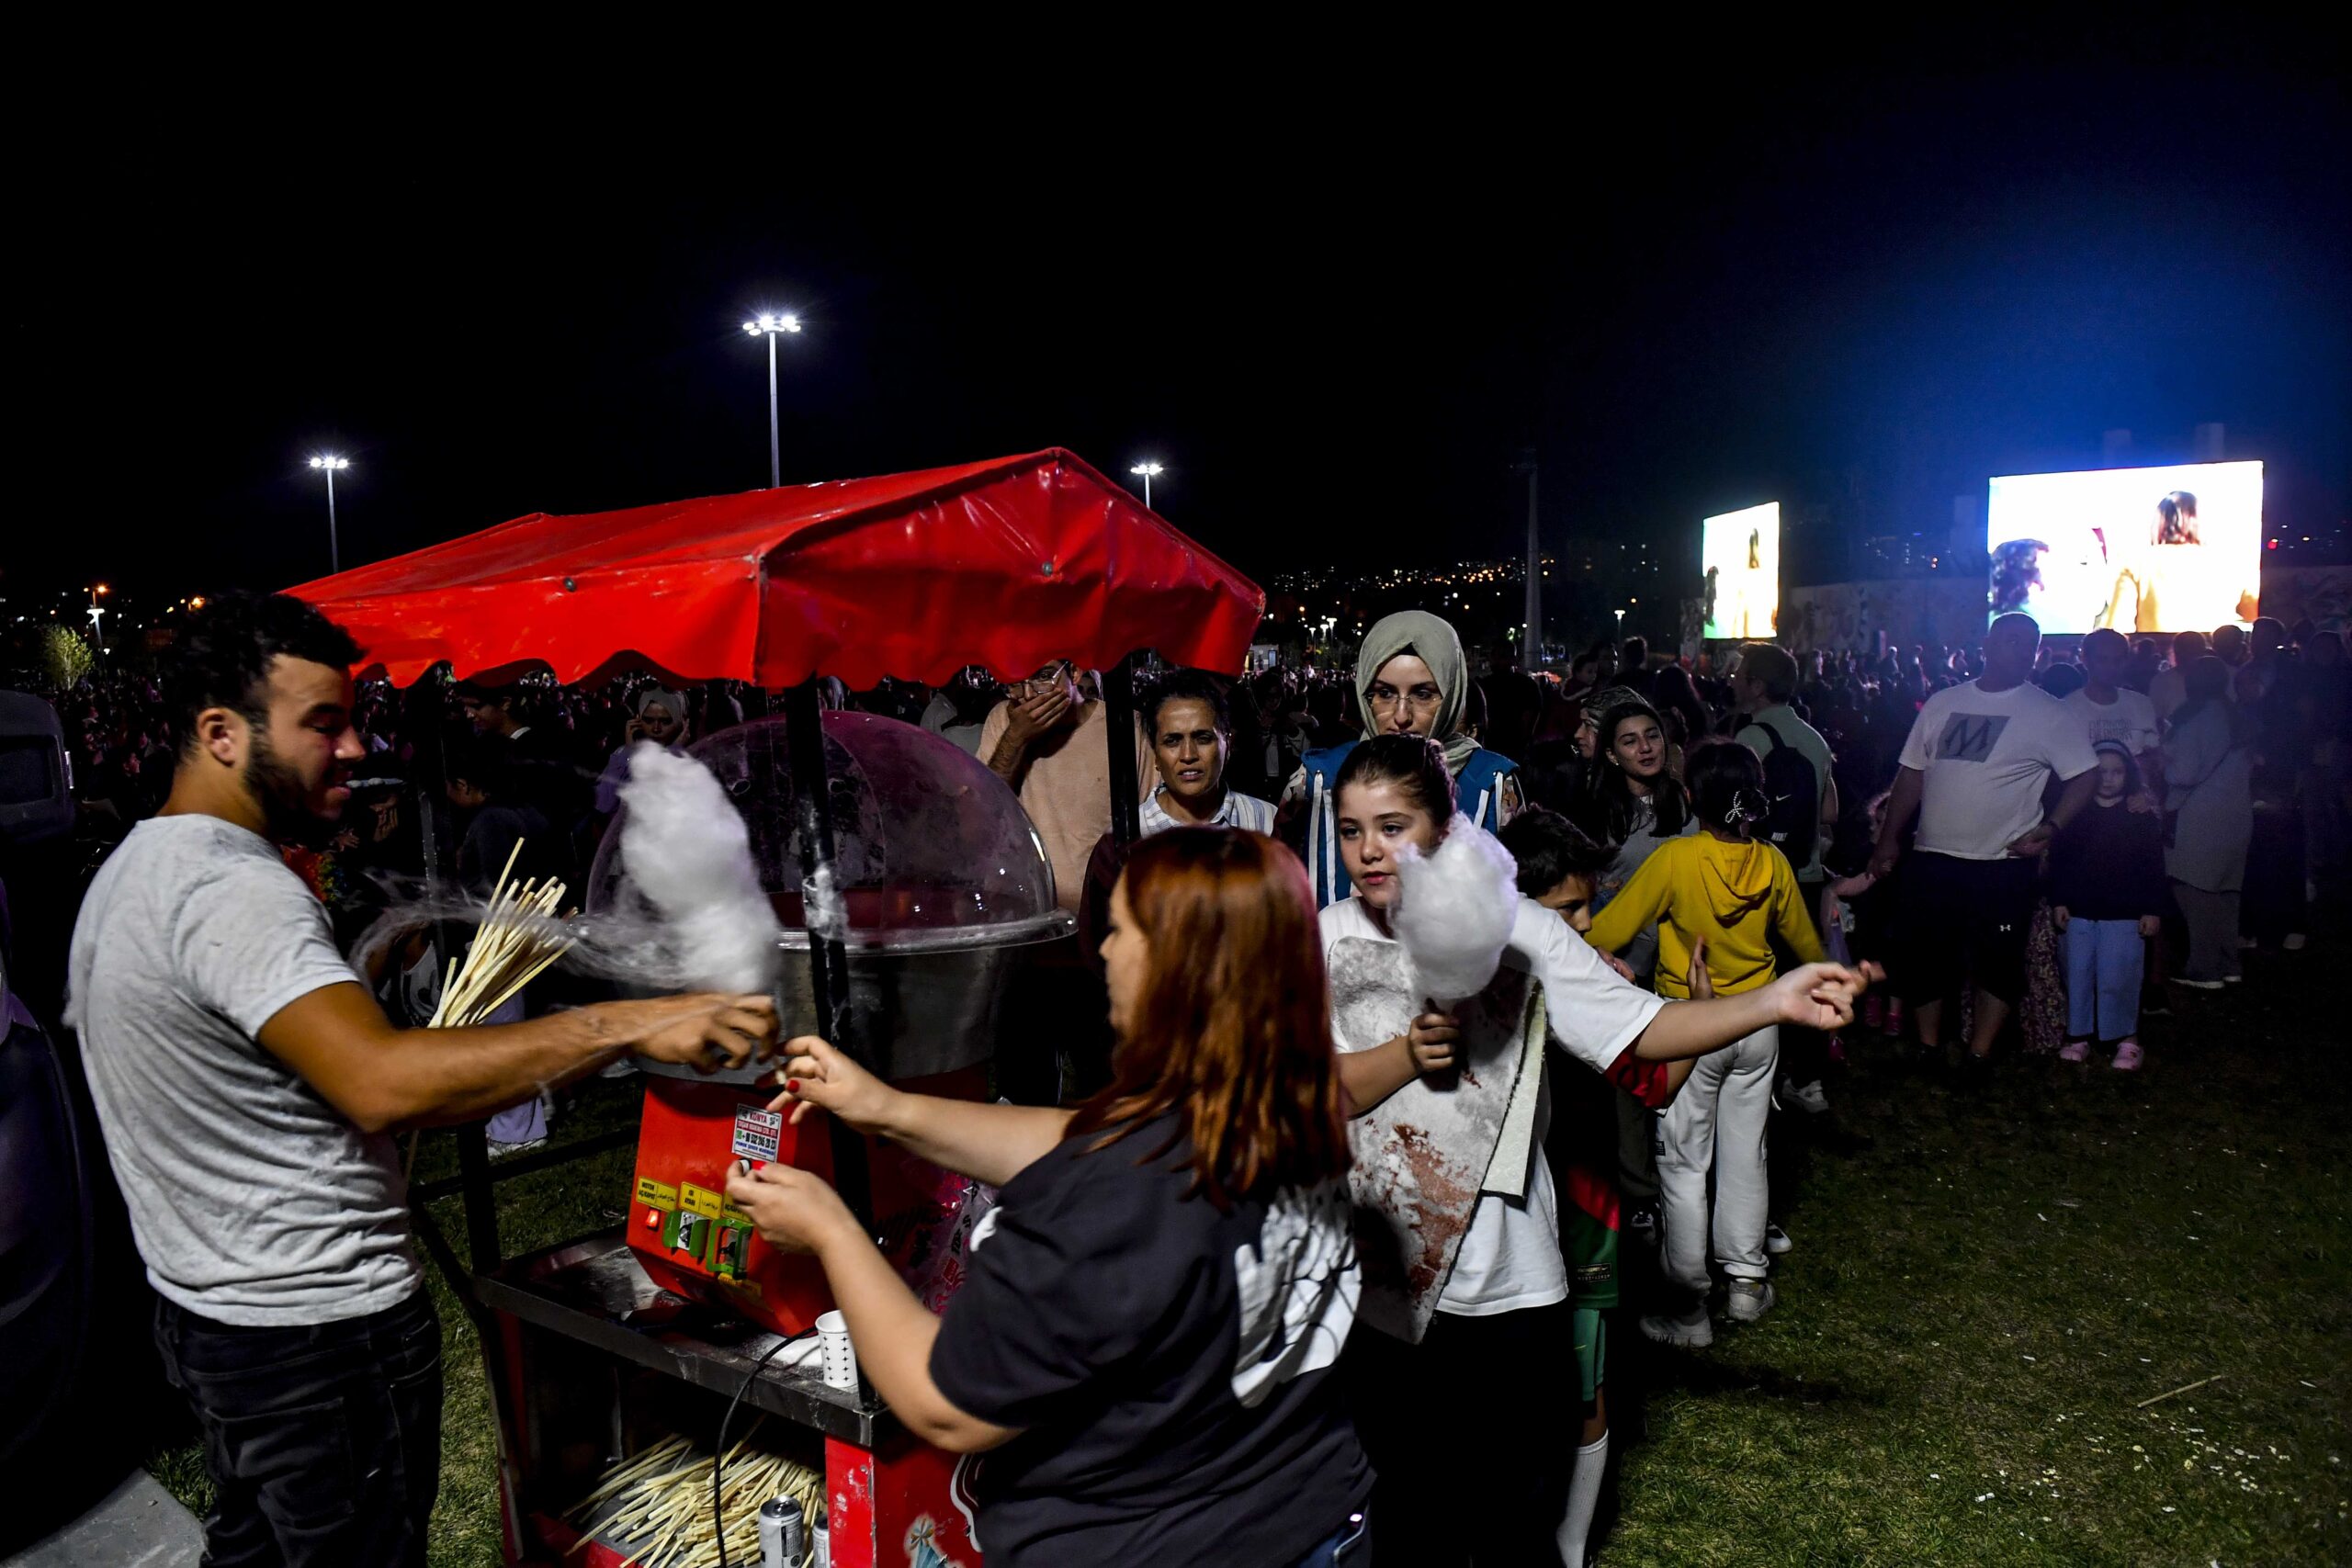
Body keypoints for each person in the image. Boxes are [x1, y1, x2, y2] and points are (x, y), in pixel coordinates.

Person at [64, 592, 781, 1568]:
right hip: (317, 1340)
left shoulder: (136, 869)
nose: (356, 749)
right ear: (221, 734)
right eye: (324, 723)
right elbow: (382, 1084)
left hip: (219, 1323)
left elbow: (251, 1078)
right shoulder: (229, 887)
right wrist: (639, 1018)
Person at [729, 829, 1371, 1568]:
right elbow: (1082, 1135)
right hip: (1314, 1521)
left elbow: (948, 1404)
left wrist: (831, 1230)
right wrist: (887, 1108)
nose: (1101, 951)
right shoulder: (1285, 1100)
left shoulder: (1114, 1201)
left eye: (1121, 930)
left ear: (1176, 967)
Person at [1318, 735, 1871, 1567]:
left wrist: (1774, 999)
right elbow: (1300, 1093)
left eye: (1392, 825)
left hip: (1506, 1287)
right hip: (1379, 1293)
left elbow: (1643, 1029)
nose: (1368, 850)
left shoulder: (1520, 929)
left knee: (1509, 1526)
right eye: (1352, 828)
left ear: (1443, 826)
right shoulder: (1322, 938)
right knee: (1404, 1525)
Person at [1497, 807, 1696, 1568]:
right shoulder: (1478, 980)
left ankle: (1572, 1549)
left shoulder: (1603, 983)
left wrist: (1693, 1013)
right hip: (1504, 1216)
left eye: (1586, 906)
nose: (1582, 924)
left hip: (1584, 1211)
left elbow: (1655, 1085)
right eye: (1563, 911)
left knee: (1586, 1386)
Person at [1586, 741, 1827, 1344]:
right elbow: (1806, 942)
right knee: (1748, 1151)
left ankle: (1689, 1311)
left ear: (1693, 794)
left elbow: (1609, 929)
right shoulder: (1771, 861)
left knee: (1684, 1164)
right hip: (1756, 1022)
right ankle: (1747, 1280)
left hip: (1689, 1025)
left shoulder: (1675, 859)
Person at [1869, 613, 2100, 1073]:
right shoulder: (1943, 702)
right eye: (2009, 640)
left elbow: (2085, 775)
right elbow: (1912, 774)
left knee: (1998, 962)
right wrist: (1889, 839)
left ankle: (1979, 1052)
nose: (2019, 649)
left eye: (2028, 643)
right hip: (1934, 856)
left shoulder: (2049, 712)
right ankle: (1930, 1046)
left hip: (2001, 862)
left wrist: (2051, 828)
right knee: (1927, 957)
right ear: (1987, 645)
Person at [1284, 610, 1522, 908]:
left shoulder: (1493, 784)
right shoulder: (1318, 779)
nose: (1401, 716)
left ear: (1452, 696)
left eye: (1423, 694)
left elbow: (1523, 902)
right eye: (1384, 693)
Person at [1730, 643, 1838, 1116]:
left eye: (1740, 675)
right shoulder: (1814, 738)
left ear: (1756, 684)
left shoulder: (1751, 737)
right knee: (1803, 976)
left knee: (1759, 980)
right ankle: (1807, 1078)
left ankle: (1761, 1080)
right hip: (1806, 873)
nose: (1734, 681)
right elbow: (1830, 810)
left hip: (1761, 874)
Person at [978, 660, 1154, 913]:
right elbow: (985, 812)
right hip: (1024, 911)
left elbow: (1152, 824)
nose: (1027, 695)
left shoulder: (1126, 726)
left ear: (1075, 672)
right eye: (1016, 681)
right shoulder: (1003, 720)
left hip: (1103, 913)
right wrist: (1015, 737)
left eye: (1043, 676)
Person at [2049, 741, 2167, 1068]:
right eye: (2101, 772)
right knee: (2077, 973)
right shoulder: (2075, 814)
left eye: (2117, 771)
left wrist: (2151, 908)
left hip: (2124, 913)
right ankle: (2078, 1035)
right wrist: (2059, 900)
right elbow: (2060, 860)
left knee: (2121, 977)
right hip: (2080, 911)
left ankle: (2127, 1038)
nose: (2108, 779)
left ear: (2128, 774)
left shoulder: (2139, 817)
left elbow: (2153, 866)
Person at [2163, 656, 2258, 988]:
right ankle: (2229, 962)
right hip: (2237, 814)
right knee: (2227, 893)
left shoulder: (2195, 720)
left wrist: (2162, 766)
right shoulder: (2236, 716)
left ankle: (2205, 969)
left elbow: (2185, 773)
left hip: (2201, 816)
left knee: (2196, 891)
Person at [2065, 629, 2163, 793]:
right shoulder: (2067, 708)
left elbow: (2155, 757)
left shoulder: (2141, 704)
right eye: (2102, 660)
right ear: (2085, 660)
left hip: (2134, 804)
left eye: (2118, 660)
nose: (2110, 667)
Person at [2150, 630, 2208, 729]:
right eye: (2187, 649)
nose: (2191, 654)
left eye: (2194, 649)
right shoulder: (2162, 682)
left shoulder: (2214, 681)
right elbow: (2155, 718)